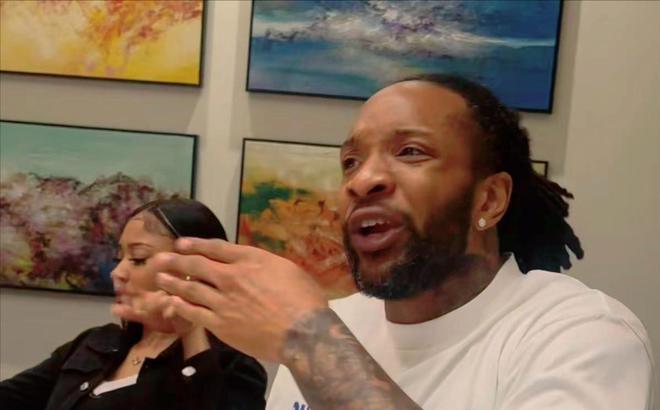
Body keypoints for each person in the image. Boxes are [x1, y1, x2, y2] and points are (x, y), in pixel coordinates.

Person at [128, 75, 654, 409]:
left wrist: (310, 342)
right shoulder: (339, 323)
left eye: (411, 152)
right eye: (351, 161)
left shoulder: (580, 333)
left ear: (489, 199)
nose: (362, 180)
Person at [0, 198, 267, 410]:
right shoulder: (95, 344)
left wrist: (191, 331)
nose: (117, 273)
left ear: (192, 269)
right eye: (119, 258)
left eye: (138, 258)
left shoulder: (231, 365)